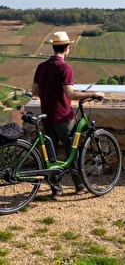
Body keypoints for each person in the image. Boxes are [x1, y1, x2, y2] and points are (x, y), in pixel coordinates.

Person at [32, 31, 104, 200]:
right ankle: (79, 187)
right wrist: (92, 94)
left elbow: (35, 91)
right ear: (67, 48)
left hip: (46, 116)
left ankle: (56, 190)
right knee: (73, 150)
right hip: (63, 117)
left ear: (53, 46)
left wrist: (49, 93)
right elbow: (70, 94)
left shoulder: (42, 66)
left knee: (51, 155)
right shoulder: (64, 67)